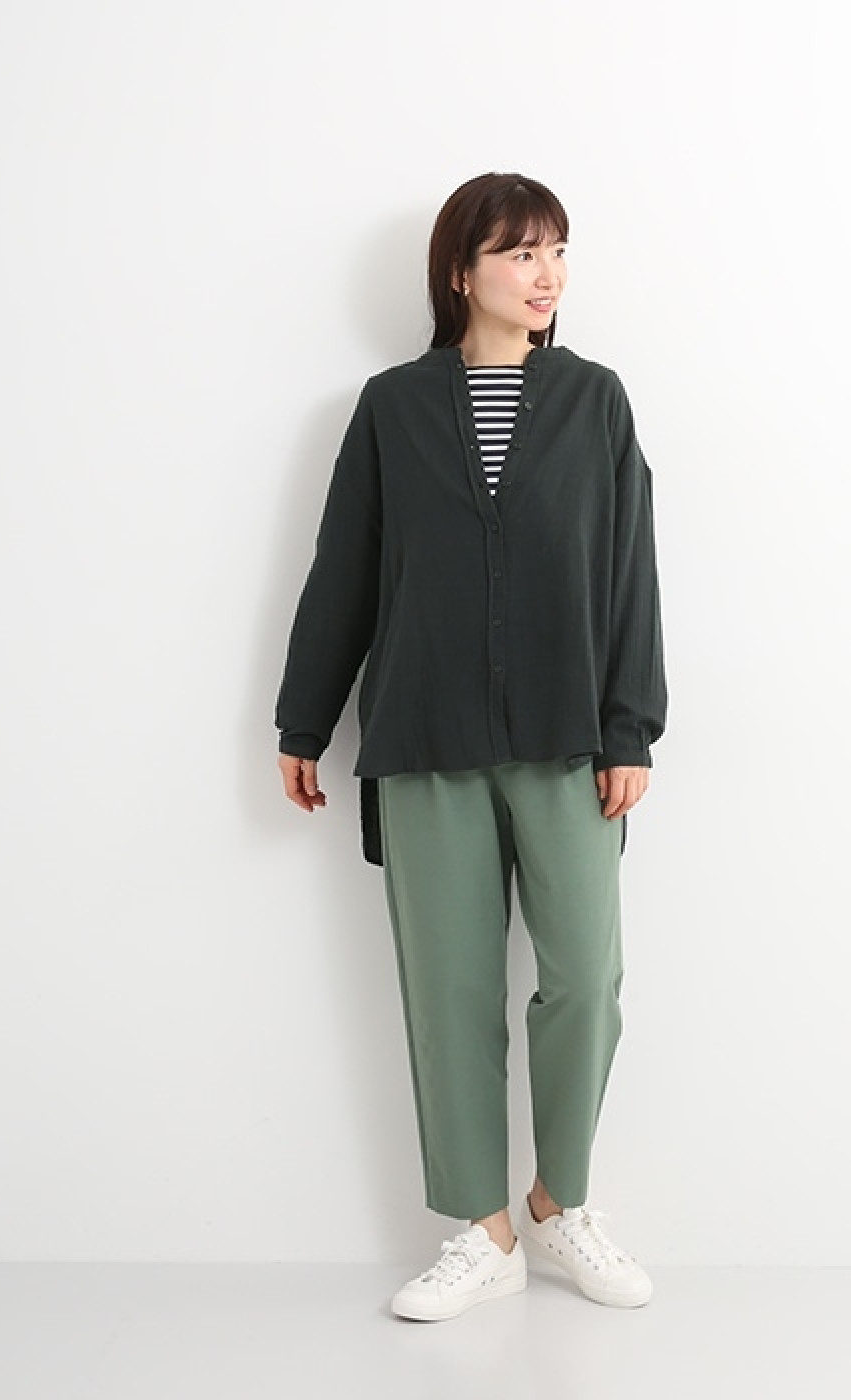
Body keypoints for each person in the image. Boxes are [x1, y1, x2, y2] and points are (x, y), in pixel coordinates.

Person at [274, 172, 667, 1322]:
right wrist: (305, 719)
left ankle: (558, 1202)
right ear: (461, 271)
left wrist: (630, 726)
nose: (547, 274)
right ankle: (481, 1232)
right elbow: (345, 568)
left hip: (568, 737)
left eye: (557, 250)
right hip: (426, 733)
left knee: (585, 977)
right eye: (520, 252)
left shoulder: (594, 400)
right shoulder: (392, 407)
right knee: (448, 990)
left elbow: (630, 571)